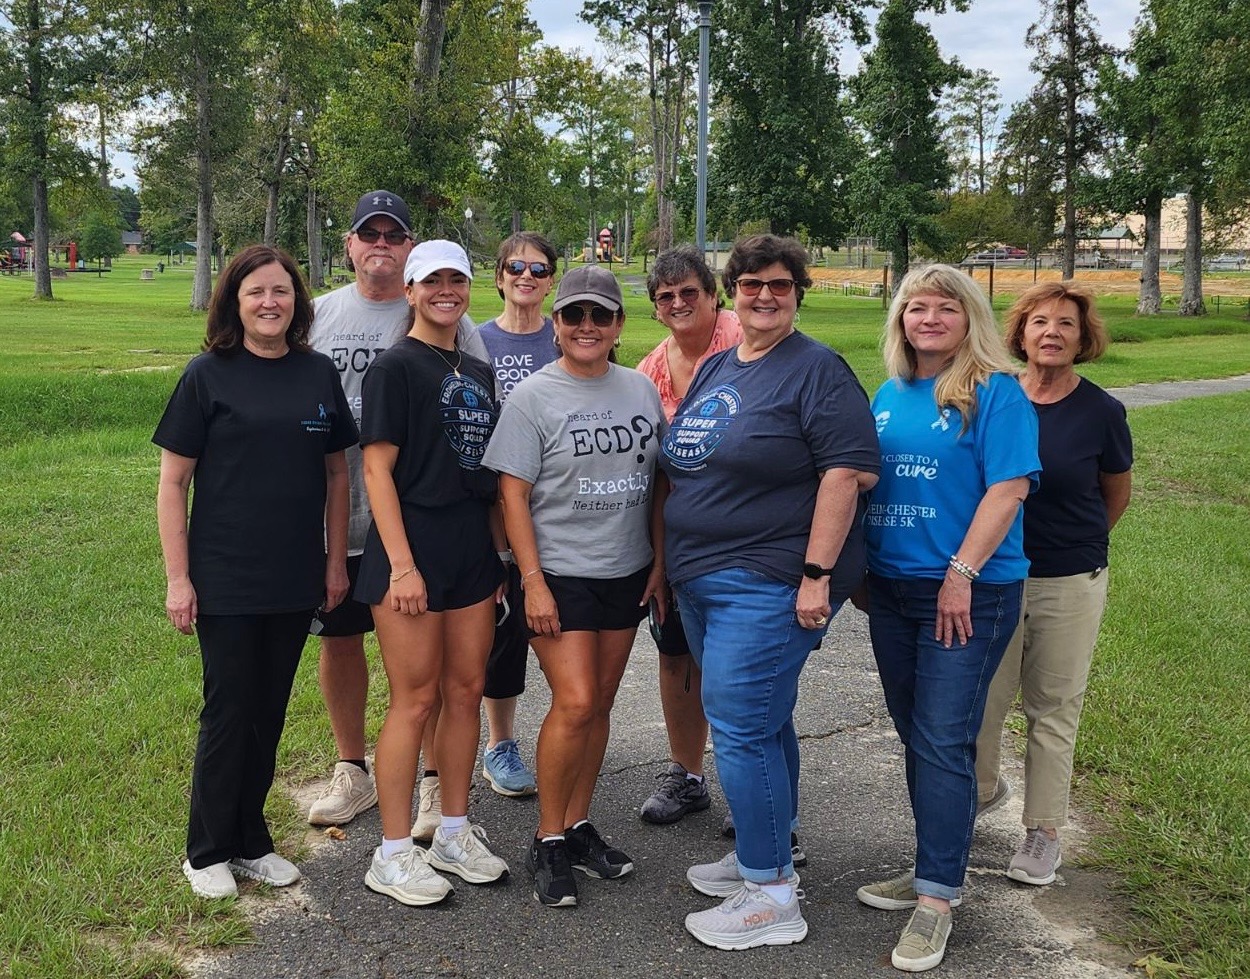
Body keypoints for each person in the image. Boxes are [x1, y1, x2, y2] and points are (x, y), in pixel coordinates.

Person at [659, 234, 880, 950]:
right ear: (733, 291)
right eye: (751, 284)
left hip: (770, 578)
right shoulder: (722, 363)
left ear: (798, 292)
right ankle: (767, 847)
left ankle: (773, 894)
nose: (764, 296)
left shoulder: (817, 369)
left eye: (779, 285)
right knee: (766, 718)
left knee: (740, 722)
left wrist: (816, 575)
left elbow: (846, 473)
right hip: (703, 576)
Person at [155, 245, 356, 899]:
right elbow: (172, 482)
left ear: (297, 301)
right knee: (229, 708)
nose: (271, 302)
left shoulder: (317, 374)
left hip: (295, 576)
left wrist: (332, 566)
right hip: (226, 576)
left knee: (268, 710)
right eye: (256, 292)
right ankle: (205, 849)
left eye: (282, 291)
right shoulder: (207, 375)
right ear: (234, 303)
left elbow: (336, 475)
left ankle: (249, 841)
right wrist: (179, 578)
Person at [855, 264, 1040, 973]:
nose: (928, 319)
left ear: (970, 318)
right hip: (894, 590)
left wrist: (960, 573)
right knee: (917, 733)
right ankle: (935, 860)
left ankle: (936, 897)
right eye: (915, 307)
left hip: (968, 591)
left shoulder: (996, 392)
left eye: (945, 308)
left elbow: (1009, 489)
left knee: (941, 736)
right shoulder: (889, 391)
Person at [483, 264, 667, 908]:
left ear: (618, 325)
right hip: (558, 571)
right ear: (556, 325)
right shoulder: (534, 396)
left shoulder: (641, 390)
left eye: (600, 315)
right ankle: (547, 838)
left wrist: (660, 562)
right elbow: (512, 491)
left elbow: (658, 484)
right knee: (577, 700)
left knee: (601, 706)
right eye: (574, 316)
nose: (587, 326)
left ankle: (578, 823)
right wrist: (529, 579)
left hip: (626, 569)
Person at [305, 191, 488, 839]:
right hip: (336, 511)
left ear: (409, 248)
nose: (380, 243)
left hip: (413, 521)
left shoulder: (450, 325)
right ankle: (352, 766)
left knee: (424, 668)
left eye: (394, 233)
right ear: (350, 244)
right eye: (368, 233)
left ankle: (435, 781)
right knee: (340, 637)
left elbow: (472, 414)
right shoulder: (318, 314)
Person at [355, 240, 509, 906]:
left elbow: (487, 471)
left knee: (466, 690)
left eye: (457, 278)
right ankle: (390, 853)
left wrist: (498, 556)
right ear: (411, 290)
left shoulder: (477, 368)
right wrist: (403, 566)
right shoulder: (394, 368)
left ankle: (452, 828)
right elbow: (376, 469)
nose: (445, 289)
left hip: (469, 549)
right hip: (408, 551)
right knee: (415, 699)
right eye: (432, 280)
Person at [975, 282, 1132, 886]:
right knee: (981, 701)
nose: (1052, 333)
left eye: (1066, 324)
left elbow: (1113, 495)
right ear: (1021, 332)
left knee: (1053, 708)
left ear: (1082, 337)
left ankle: (1042, 832)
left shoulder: (1101, 411)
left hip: (1068, 579)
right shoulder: (993, 398)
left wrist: (1073, 546)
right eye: (1040, 321)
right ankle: (982, 791)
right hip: (995, 578)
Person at [634, 244, 742, 826]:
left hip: (748, 537)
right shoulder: (652, 370)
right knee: (676, 655)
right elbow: (652, 471)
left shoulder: (746, 343)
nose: (678, 303)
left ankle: (751, 784)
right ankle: (688, 774)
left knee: (738, 664)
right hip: (680, 540)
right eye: (665, 297)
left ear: (713, 293)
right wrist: (657, 557)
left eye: (689, 293)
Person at [471, 231, 560, 797]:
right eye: (516, 268)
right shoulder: (473, 342)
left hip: (559, 504)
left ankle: (570, 731)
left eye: (539, 268)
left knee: (560, 625)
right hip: (490, 508)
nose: (527, 277)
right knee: (500, 632)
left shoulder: (570, 333)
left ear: (551, 279)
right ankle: (499, 743)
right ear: (499, 277)